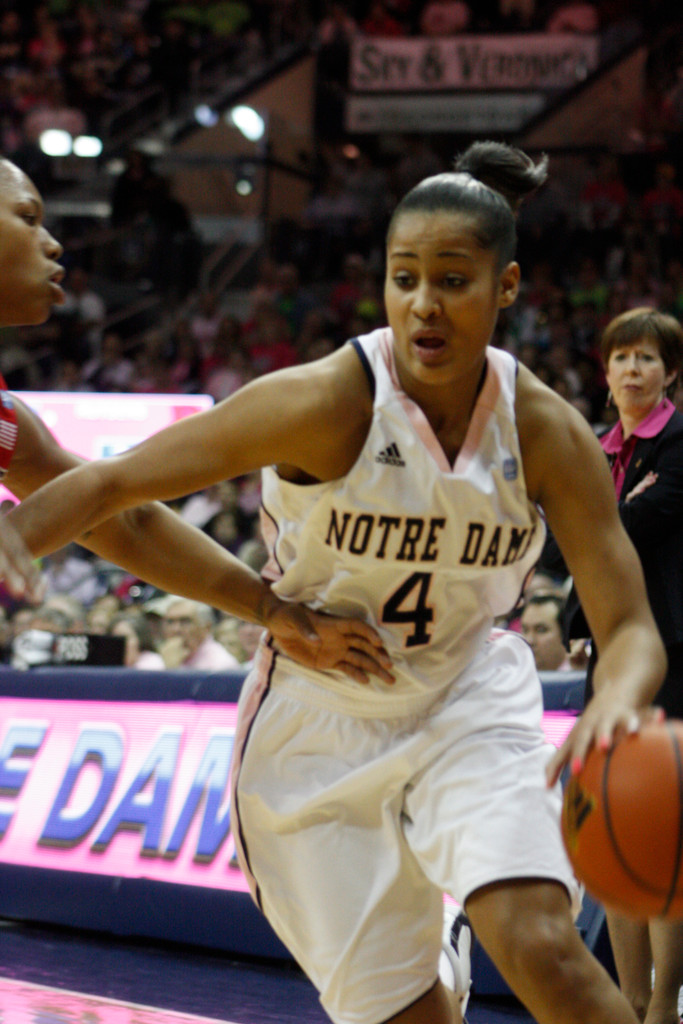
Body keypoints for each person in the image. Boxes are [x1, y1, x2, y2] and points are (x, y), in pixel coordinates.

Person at [6, 141, 666, 1024]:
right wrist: (17, 533)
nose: (423, 304)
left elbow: (630, 628)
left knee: (545, 948)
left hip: (466, 697)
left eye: (453, 281)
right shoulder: (327, 399)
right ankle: (429, 950)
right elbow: (109, 488)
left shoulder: (545, 431)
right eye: (403, 278)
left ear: (505, 288)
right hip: (318, 723)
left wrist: (614, 702)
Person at [0, 155, 388, 684]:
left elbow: (121, 519)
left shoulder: (7, 421)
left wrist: (267, 608)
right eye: (27, 217)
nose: (52, 242)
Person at [547, 306, 683, 1024]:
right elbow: (572, 553)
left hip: (671, 656)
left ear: (670, 374)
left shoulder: (681, 443)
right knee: (614, 827)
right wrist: (575, 622)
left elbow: (621, 531)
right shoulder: (596, 455)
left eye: (647, 359)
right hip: (609, 657)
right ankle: (630, 998)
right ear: (604, 374)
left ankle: (664, 1001)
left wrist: (597, 518)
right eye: (621, 358)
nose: (633, 370)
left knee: (663, 833)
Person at [157, 597, 241, 671]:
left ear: (206, 627)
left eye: (185, 621)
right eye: (170, 622)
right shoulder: (161, 659)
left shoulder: (220, 665)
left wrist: (170, 670)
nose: (176, 629)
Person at [520, 592, 572, 671]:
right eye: (525, 630)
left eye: (541, 630)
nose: (529, 640)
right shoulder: (510, 677)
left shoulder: (582, 677)